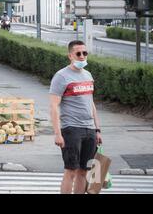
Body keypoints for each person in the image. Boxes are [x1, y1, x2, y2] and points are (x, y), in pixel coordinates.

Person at [49, 40, 102, 194]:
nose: (82, 56)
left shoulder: (88, 75)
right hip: (71, 129)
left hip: (90, 129)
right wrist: (58, 133)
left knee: (84, 172)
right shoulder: (61, 76)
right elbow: (53, 106)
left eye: (84, 53)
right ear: (70, 56)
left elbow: (91, 103)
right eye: (78, 53)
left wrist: (97, 129)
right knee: (71, 171)